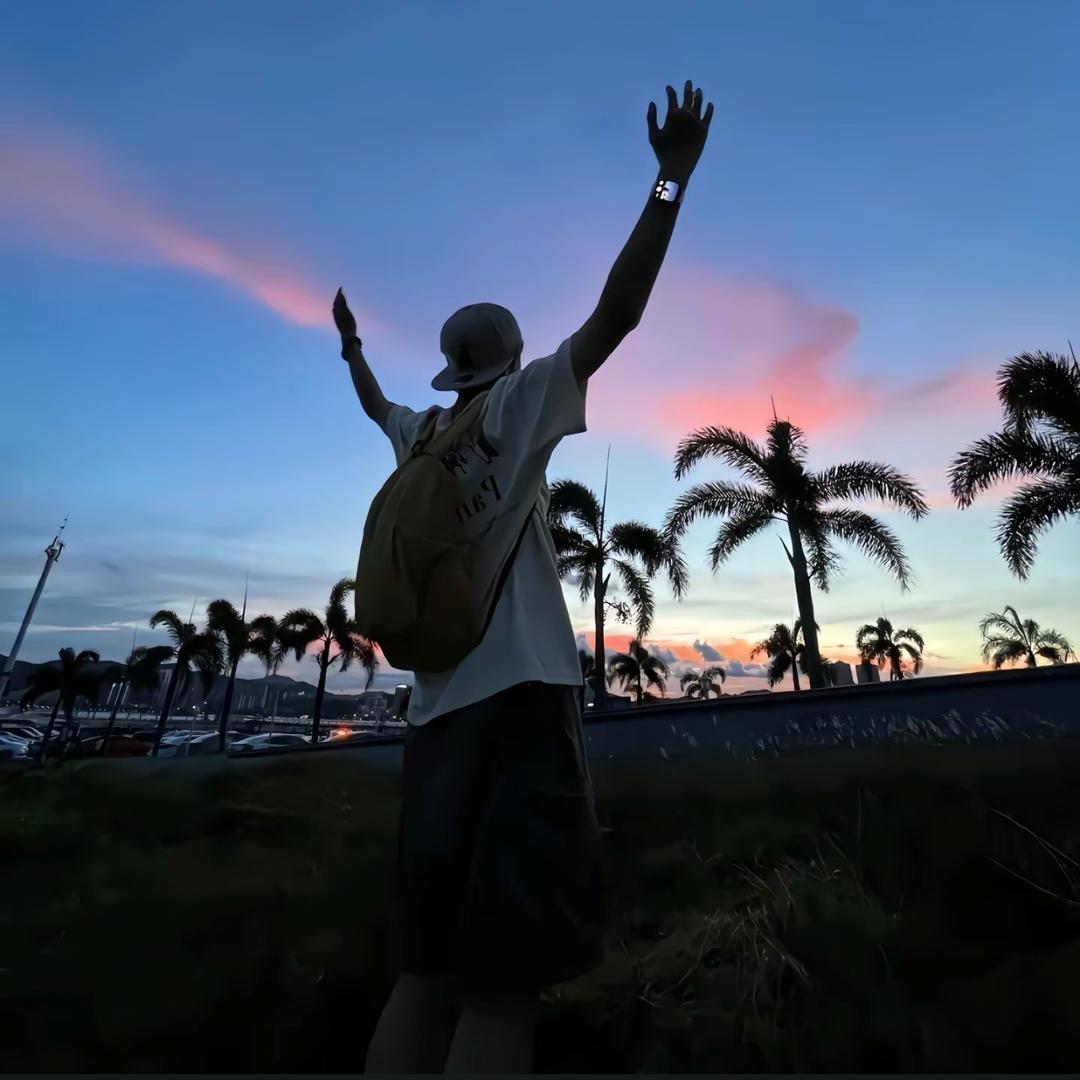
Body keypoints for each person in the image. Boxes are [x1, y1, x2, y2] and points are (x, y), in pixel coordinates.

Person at [335, 80, 712, 1074]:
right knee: (501, 992)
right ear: (507, 359)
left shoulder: (421, 437)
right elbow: (618, 313)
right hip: (519, 714)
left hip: (434, 721)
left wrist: (353, 351)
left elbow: (376, 404)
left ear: (447, 370)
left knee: (423, 980)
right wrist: (670, 180)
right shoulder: (521, 406)